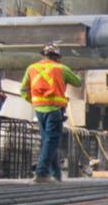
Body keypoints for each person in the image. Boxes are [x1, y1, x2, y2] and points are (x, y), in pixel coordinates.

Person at [20, 43, 81, 183]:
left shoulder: (32, 68)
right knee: (51, 141)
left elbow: (23, 90)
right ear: (57, 57)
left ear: (43, 55)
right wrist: (76, 73)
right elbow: (77, 82)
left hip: (39, 110)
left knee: (48, 141)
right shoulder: (61, 69)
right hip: (54, 109)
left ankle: (56, 174)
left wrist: (34, 101)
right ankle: (41, 173)